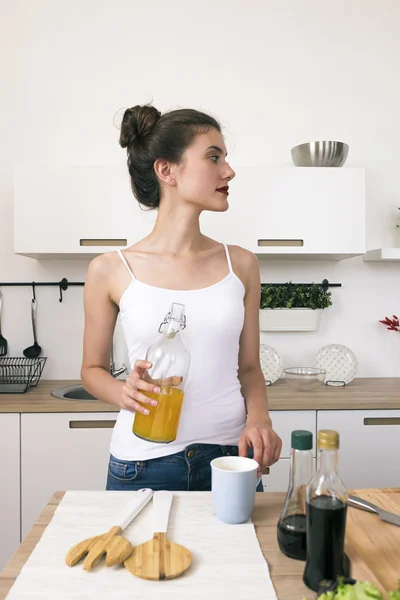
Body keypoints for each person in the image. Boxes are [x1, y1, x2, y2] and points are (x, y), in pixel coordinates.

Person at [81, 104, 282, 492]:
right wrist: (123, 391)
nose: (229, 170)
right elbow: (91, 370)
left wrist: (260, 419)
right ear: (166, 170)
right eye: (214, 157)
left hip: (231, 460)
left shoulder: (240, 264)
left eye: (226, 158)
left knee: (242, 556)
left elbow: (251, 368)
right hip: (142, 464)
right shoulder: (110, 268)